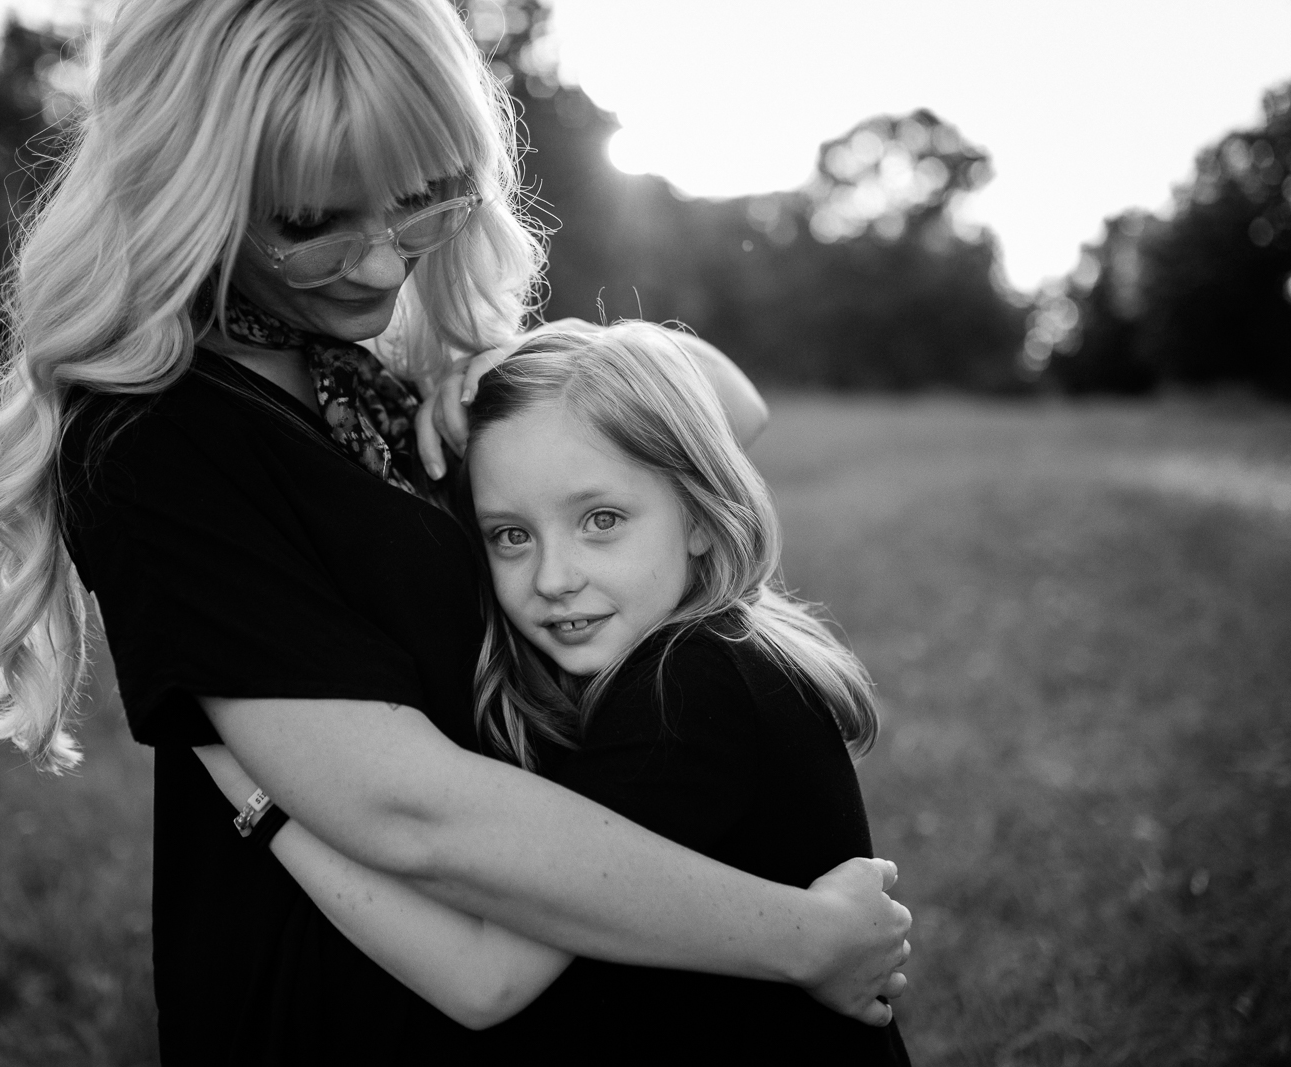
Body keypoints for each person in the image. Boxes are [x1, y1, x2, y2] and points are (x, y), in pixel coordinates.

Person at [0, 0, 911, 1060]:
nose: (375, 264)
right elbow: (412, 814)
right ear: (184, 186)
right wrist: (798, 935)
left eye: (420, 200)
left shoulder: (382, 353)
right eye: (309, 222)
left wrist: (520, 373)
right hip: (356, 994)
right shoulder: (162, 436)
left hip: (557, 940)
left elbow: (723, 412)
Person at [206, 323, 912, 1062]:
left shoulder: (688, 688)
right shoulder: (709, 646)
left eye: (600, 521)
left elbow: (482, 976)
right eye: (511, 535)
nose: (552, 577)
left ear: (702, 514)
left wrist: (256, 787)